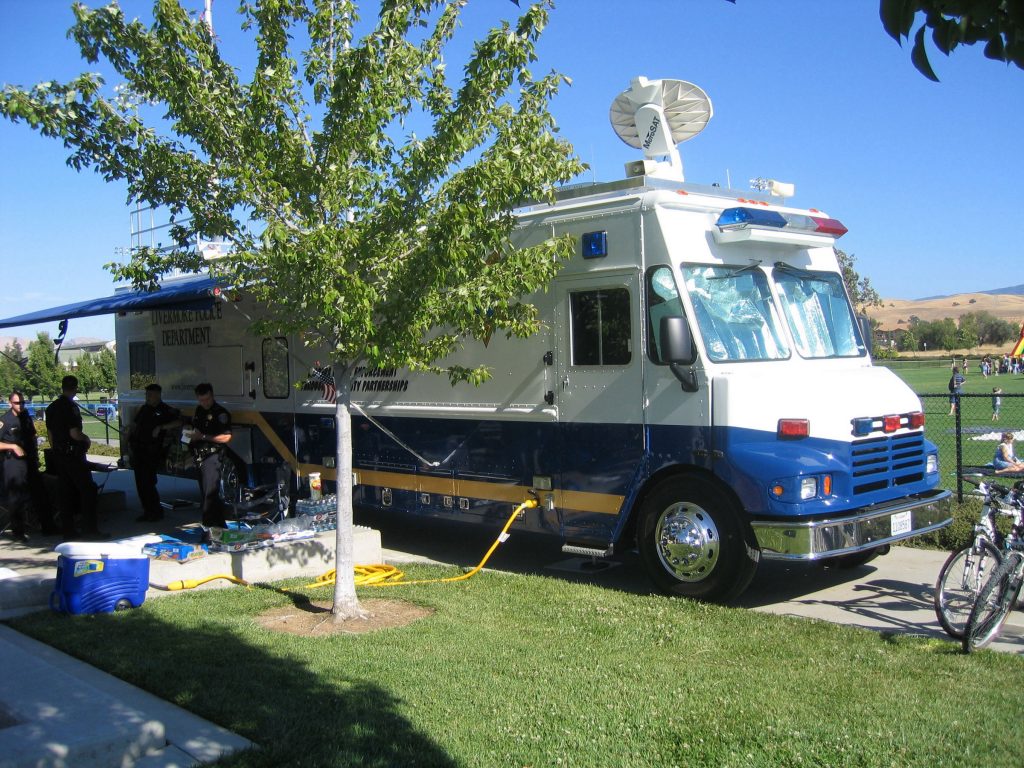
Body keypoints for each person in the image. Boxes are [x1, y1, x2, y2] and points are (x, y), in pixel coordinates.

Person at [45, 375, 106, 540]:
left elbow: (50, 434)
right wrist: (86, 439)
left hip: (59, 455)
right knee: (88, 490)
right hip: (73, 455)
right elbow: (74, 433)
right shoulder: (70, 407)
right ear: (75, 388)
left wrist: (57, 450)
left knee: (65, 493)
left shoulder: (51, 408)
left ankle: (68, 530)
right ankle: (90, 529)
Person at [1, 391, 58, 542]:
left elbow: (32, 436)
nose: (20, 406)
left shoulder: (26, 417)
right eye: (17, 403)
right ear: (10, 403)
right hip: (13, 462)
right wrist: (12, 446)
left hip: (30, 461)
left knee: (41, 494)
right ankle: (18, 532)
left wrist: (35, 454)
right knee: (16, 498)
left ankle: (48, 527)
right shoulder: (4, 420)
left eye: (22, 402)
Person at [128, 383, 182, 523]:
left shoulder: (164, 410)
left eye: (150, 395)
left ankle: (155, 511)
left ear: (157, 395)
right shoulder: (144, 408)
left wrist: (161, 427)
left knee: (148, 482)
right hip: (138, 449)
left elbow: (179, 422)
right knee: (140, 483)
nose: (147, 397)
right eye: (147, 395)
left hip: (151, 451)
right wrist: (128, 430)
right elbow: (135, 424)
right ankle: (147, 511)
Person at [189, 383, 232, 528]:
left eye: (207, 399)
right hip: (200, 455)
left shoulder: (220, 413)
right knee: (207, 492)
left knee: (210, 494)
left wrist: (204, 437)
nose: (205, 403)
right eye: (201, 400)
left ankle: (208, 528)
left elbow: (226, 437)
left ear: (212, 395)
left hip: (214, 456)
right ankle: (220, 526)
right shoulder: (199, 410)